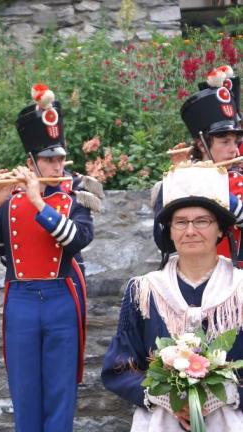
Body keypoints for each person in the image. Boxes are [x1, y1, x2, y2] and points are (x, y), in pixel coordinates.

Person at [0, 84, 95, 431]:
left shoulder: (77, 197)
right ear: (31, 162)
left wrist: (38, 201)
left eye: (60, 158)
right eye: (49, 159)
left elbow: (77, 240)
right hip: (20, 298)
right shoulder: (9, 201)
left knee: (61, 390)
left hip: (61, 296)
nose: (57, 165)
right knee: (24, 389)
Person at [102, 162, 243, 431]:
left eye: (202, 221)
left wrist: (228, 394)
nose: (190, 231)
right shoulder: (144, 291)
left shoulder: (240, 290)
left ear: (221, 230)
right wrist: (163, 397)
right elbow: (118, 368)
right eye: (180, 222)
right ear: (169, 230)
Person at [153, 73, 243, 260]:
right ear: (202, 145)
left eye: (236, 142)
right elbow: (163, 242)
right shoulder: (176, 180)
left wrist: (220, 196)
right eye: (225, 142)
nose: (234, 150)